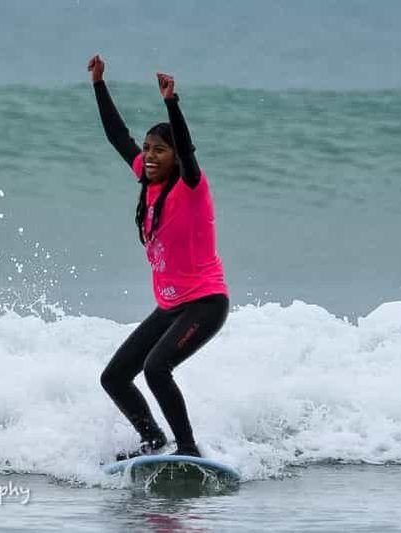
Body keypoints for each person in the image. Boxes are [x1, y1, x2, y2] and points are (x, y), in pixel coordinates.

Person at [88, 54, 229, 459]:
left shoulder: (190, 186)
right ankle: (152, 441)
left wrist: (172, 103)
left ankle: (188, 450)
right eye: (148, 149)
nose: (149, 156)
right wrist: (99, 84)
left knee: (155, 368)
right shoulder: (148, 182)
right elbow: (118, 136)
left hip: (204, 302)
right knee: (114, 377)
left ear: (175, 156)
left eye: (159, 150)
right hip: (171, 306)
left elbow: (186, 148)